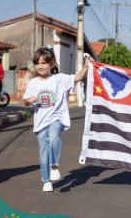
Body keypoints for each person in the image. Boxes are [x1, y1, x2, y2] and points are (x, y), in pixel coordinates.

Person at [23, 46, 94, 192]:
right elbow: (25, 101)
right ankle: (46, 180)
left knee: (54, 137)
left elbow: (78, 77)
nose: (40, 66)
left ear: (52, 64)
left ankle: (54, 165)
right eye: (37, 63)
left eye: (44, 63)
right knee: (43, 152)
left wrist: (87, 66)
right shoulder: (33, 83)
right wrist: (29, 100)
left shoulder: (59, 79)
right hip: (40, 122)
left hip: (56, 118)